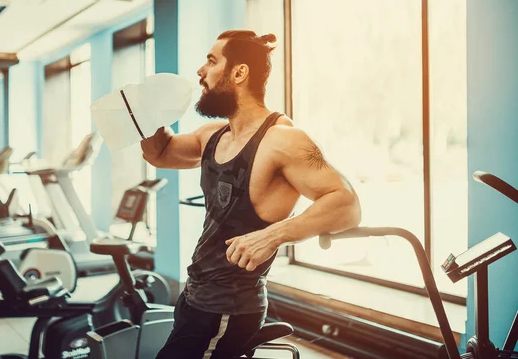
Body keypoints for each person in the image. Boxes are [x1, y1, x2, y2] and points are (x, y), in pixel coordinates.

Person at [141, 30, 362, 359]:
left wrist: (272, 236)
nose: (201, 71)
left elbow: (346, 204)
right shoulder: (214, 135)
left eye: (212, 61)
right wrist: (147, 112)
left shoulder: (282, 139)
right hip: (196, 297)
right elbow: (160, 153)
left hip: (226, 310)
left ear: (239, 72)